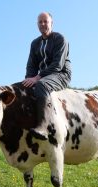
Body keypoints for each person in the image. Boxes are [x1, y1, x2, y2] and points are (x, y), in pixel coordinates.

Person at [22, 12, 72, 140]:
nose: (43, 24)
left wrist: (37, 78)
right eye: (40, 22)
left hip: (60, 74)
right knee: (22, 88)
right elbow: (31, 66)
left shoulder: (60, 39)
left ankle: (44, 126)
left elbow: (57, 65)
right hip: (42, 76)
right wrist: (28, 80)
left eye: (46, 21)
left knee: (41, 85)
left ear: (51, 23)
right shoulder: (35, 43)